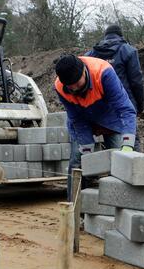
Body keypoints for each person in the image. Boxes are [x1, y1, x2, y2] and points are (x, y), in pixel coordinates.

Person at [54, 54, 138, 199]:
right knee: (77, 161)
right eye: (70, 86)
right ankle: (76, 208)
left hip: (110, 117)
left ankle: (119, 205)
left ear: (83, 72)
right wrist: (87, 151)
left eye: (77, 83)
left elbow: (125, 110)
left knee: (120, 159)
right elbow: (77, 120)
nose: (74, 88)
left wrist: (128, 145)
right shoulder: (60, 87)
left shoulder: (103, 72)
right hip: (82, 118)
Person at [86, 24, 144, 150]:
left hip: (100, 108)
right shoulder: (128, 51)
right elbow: (136, 81)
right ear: (120, 35)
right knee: (132, 142)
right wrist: (139, 105)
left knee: (111, 149)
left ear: (105, 36)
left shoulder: (91, 54)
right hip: (124, 105)